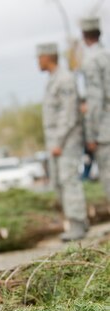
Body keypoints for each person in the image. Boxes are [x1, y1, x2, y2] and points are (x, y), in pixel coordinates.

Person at [37, 43, 88, 241]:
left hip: (66, 142)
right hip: (56, 143)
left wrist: (58, 141)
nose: (37, 62)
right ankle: (78, 222)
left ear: (48, 57)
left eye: (39, 58)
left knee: (69, 181)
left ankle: (77, 224)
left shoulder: (65, 79)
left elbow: (69, 115)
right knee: (59, 183)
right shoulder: (53, 80)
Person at [80, 17, 110, 204]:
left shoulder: (92, 59)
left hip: (105, 128)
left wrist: (91, 134)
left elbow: (96, 98)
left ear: (84, 35)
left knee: (108, 174)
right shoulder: (107, 54)